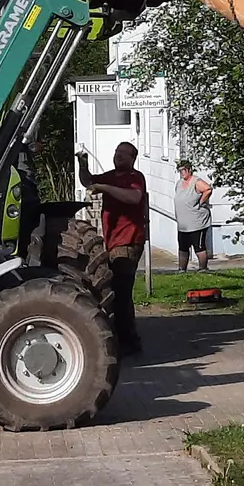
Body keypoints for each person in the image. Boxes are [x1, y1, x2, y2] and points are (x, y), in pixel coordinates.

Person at [78, 142, 147, 355]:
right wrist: (83, 165)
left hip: (128, 241)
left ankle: (128, 342)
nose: (118, 156)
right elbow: (88, 181)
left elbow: (134, 197)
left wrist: (104, 188)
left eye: (123, 154)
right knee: (117, 291)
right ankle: (127, 340)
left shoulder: (135, 177)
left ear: (132, 158)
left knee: (121, 293)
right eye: (117, 153)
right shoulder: (110, 176)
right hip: (114, 241)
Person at [173, 160, 214, 273]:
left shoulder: (196, 182)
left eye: (183, 170)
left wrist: (201, 202)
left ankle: (203, 268)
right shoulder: (179, 183)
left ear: (189, 170)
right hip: (183, 224)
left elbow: (208, 189)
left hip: (197, 222)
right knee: (183, 247)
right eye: (180, 171)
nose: (182, 173)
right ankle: (182, 269)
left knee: (199, 247)